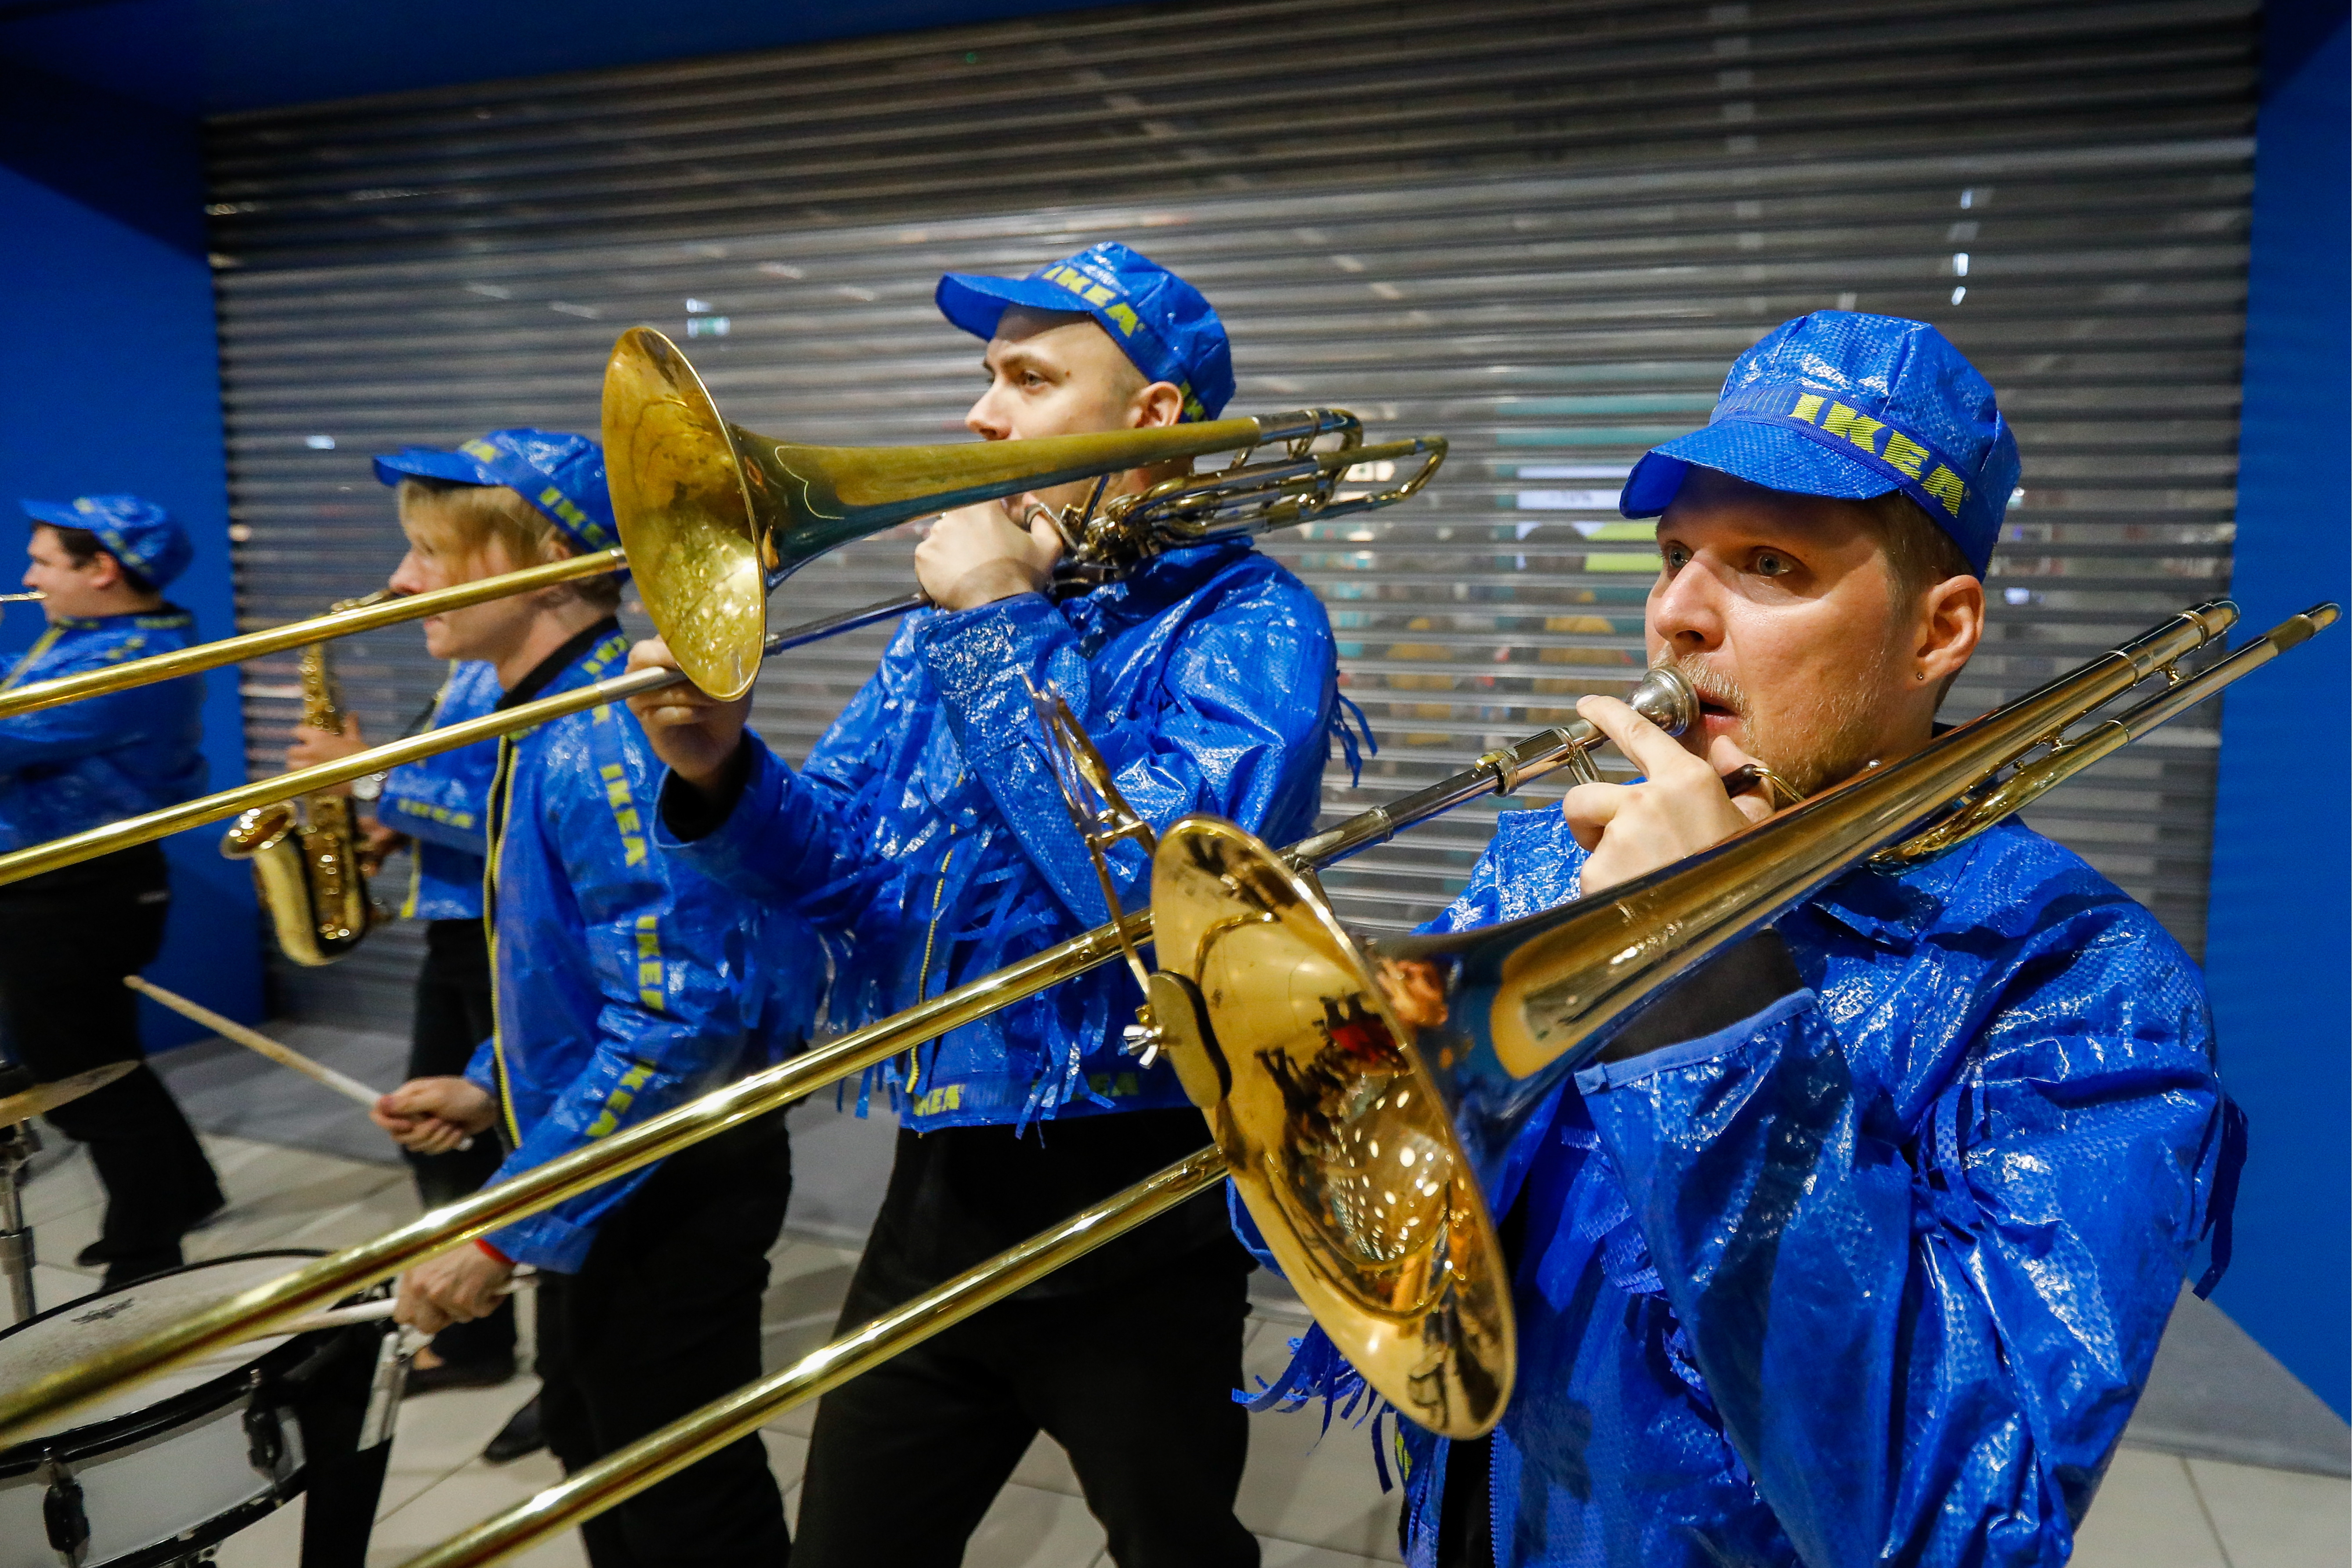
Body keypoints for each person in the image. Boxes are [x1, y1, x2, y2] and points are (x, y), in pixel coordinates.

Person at [1252, 312, 2241, 1568]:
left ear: (1937, 632)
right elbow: (1330, 1216)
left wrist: (1709, 975)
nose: (1676, 613)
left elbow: (1960, 1524)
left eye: (1768, 564)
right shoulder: (1558, 853)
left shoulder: (2080, 982)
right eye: (1674, 555)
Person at [628, 242, 1353, 1568]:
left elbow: (1145, 890)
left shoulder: (1255, 621)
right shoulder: (955, 624)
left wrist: (993, 616)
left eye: (1028, 378)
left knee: (1177, 1549)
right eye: (987, 375)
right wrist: (719, 767)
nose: (980, 413)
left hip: (1137, 1188)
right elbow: (844, 867)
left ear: (1151, 416)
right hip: (940, 1182)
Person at [361, 430, 821, 1567]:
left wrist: (504, 1231)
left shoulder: (608, 737)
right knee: (592, 1439)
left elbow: (682, 1021)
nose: (403, 581)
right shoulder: (549, 718)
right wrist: (490, 1086)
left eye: (434, 554)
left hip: (665, 1176)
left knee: (679, 1496)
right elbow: (581, 971)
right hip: (603, 1159)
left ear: (555, 570)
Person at [0, 495, 223, 1292]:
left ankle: (146, 1251)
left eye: (43, 562)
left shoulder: (132, 656)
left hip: (76, 889)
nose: (28, 577)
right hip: (62, 881)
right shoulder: (89, 635)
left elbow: (11, 728)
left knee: (81, 1080)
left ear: (102, 570)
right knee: (101, 1056)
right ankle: (186, 1192)